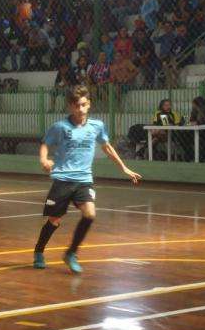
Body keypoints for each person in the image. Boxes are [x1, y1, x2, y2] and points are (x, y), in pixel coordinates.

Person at [33, 85, 141, 273]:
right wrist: (44, 159)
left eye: (83, 105)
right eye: (76, 106)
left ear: (89, 104)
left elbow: (107, 147)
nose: (80, 109)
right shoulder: (60, 127)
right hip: (63, 179)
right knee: (54, 219)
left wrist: (124, 168)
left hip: (84, 179)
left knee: (90, 214)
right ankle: (39, 252)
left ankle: (71, 253)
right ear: (70, 107)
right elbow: (45, 144)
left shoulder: (96, 126)